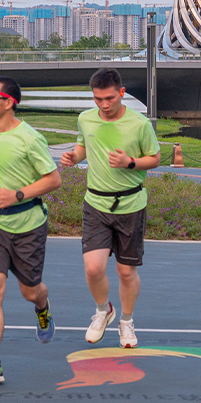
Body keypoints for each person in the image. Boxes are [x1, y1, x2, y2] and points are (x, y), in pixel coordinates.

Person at [0, 77, 62, 385]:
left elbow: (53, 179)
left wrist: (19, 194)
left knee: (29, 290)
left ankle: (43, 307)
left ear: (8, 103)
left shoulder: (30, 139)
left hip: (28, 225)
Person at [61, 69, 161, 349]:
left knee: (126, 272)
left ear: (121, 92)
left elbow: (154, 159)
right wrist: (73, 156)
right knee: (93, 269)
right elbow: (83, 146)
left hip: (130, 205)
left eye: (108, 99)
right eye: (97, 99)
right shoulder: (85, 119)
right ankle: (104, 310)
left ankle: (126, 322)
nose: (103, 105)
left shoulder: (139, 124)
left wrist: (130, 162)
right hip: (96, 202)